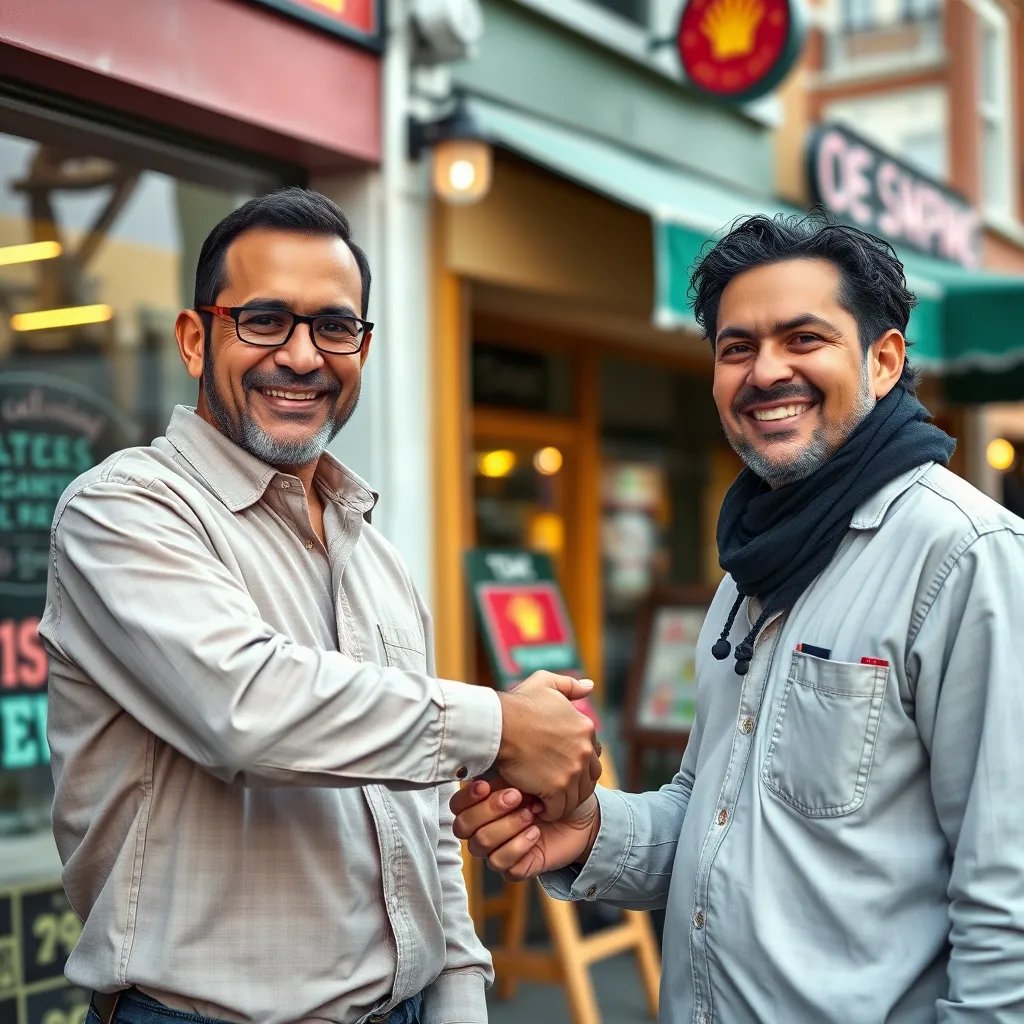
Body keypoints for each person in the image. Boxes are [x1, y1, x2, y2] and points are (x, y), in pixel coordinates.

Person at [40, 187, 600, 1024]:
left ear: (362, 350)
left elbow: (422, 817)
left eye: (335, 327)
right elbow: (246, 709)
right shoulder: (122, 508)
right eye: (264, 320)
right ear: (196, 340)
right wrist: (504, 727)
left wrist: (457, 994)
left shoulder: (374, 553)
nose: (302, 356)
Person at [452, 213, 1024, 1023]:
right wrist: (584, 827)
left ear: (884, 360)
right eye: (736, 348)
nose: (765, 372)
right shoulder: (751, 571)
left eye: (803, 339)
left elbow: (1009, 898)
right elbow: (715, 816)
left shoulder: (965, 557)